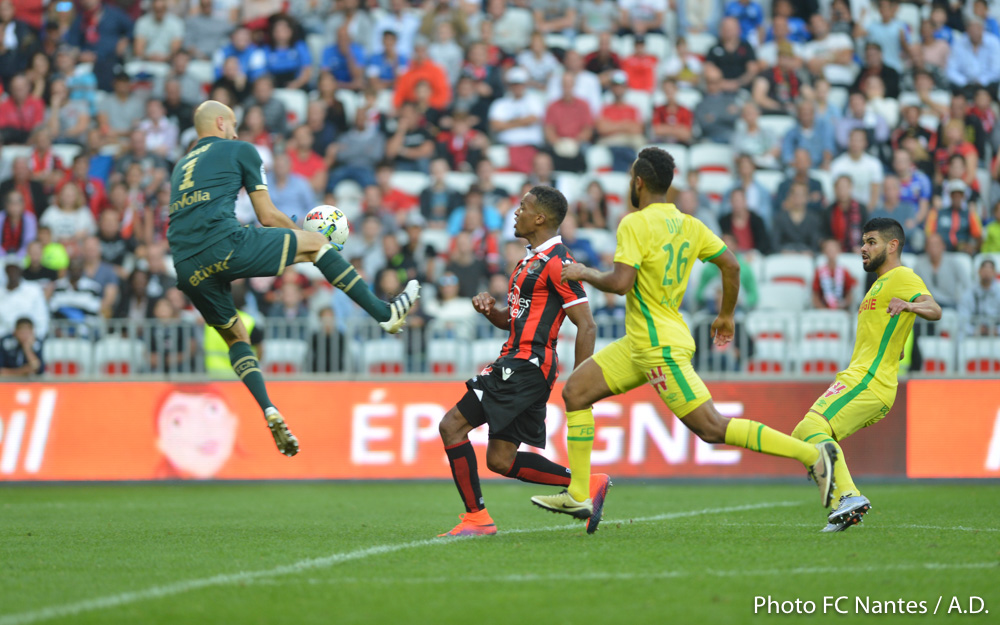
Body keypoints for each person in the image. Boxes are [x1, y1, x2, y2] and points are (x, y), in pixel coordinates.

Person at [533, 147, 840, 524]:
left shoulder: (634, 223)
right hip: (642, 341)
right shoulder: (690, 225)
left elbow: (621, 283)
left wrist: (584, 273)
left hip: (658, 346)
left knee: (711, 427)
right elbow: (731, 264)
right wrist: (726, 315)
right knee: (576, 392)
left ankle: (813, 455)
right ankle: (579, 495)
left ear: (638, 182)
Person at [168, 100, 421, 457]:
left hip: (185, 265)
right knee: (316, 245)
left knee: (236, 336)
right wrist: (305, 236)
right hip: (223, 243)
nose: (237, 133)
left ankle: (268, 408)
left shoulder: (180, 167)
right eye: (234, 124)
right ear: (222, 123)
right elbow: (267, 215)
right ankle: (385, 313)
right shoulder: (242, 149)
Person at [436, 186, 601, 537]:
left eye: (523, 207)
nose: (516, 212)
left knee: (452, 426)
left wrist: (582, 382)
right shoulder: (528, 261)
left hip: (525, 365)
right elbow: (513, 320)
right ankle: (587, 483)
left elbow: (586, 324)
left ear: (539, 218)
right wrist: (489, 310)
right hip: (521, 363)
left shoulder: (558, 263)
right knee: (500, 460)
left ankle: (476, 518)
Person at [790, 218, 941, 531]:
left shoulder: (902, 276)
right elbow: (885, 334)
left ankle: (848, 496)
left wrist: (910, 306)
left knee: (811, 427)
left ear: (892, 245)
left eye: (872, 242)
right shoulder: (877, 285)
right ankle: (844, 507)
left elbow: (934, 309)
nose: (863, 248)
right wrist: (896, 345)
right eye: (863, 242)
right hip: (862, 377)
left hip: (868, 380)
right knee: (805, 436)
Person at [957, 259, 1000, 337]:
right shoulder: (969, 294)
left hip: (996, 335)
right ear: (979, 271)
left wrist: (996, 330)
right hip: (973, 336)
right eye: (984, 271)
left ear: (995, 273)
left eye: (990, 271)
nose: (987, 274)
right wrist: (974, 330)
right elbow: (962, 319)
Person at [813, 239, 858, 310]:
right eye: (829, 249)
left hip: (841, 309)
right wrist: (822, 309)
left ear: (839, 251)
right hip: (823, 310)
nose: (831, 251)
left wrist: (843, 305)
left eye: (834, 249)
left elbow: (849, 294)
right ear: (824, 252)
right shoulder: (819, 272)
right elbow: (815, 296)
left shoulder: (844, 271)